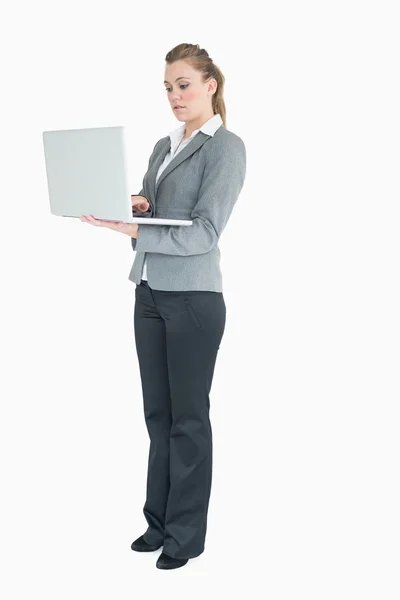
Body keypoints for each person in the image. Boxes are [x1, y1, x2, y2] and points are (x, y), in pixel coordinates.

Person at [80, 42, 246, 570]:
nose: (175, 96)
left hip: (195, 298)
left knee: (188, 420)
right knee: (159, 416)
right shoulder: (164, 144)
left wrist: (136, 229)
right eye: (169, 87)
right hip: (149, 293)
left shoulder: (225, 148)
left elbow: (205, 230)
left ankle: (186, 537)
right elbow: (162, 213)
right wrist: (134, 209)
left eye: (184, 85)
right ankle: (157, 523)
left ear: (209, 85)